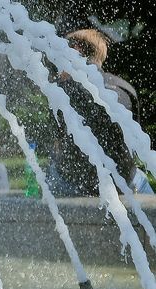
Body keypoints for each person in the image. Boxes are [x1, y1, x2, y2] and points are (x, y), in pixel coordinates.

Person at [47, 28, 138, 196]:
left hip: (80, 184)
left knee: (49, 168)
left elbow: (54, 138)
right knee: (139, 177)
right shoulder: (126, 88)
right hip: (123, 181)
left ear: (76, 50)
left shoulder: (65, 89)